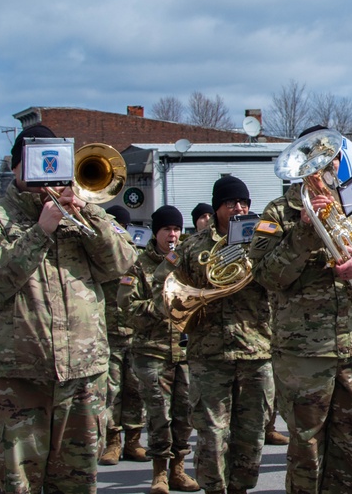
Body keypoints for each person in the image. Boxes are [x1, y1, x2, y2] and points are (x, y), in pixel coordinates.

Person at [0, 125, 137, 494]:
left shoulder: (82, 213)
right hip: (16, 382)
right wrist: (39, 231)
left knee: (77, 485)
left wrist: (88, 212)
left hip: (83, 377)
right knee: (12, 485)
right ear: (15, 167)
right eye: (37, 161)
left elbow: (120, 262)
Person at [248, 126, 352, 493]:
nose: (325, 167)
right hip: (304, 354)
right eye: (314, 160)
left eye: (331, 157)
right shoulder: (279, 213)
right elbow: (266, 276)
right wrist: (305, 231)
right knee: (306, 448)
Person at [156, 175, 274, 494]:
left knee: (252, 433)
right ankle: (214, 489)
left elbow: (281, 279)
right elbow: (163, 284)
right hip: (209, 354)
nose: (238, 208)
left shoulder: (263, 239)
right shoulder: (192, 245)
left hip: (256, 349)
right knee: (210, 434)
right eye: (230, 203)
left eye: (244, 203)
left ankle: (241, 487)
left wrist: (255, 257)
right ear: (217, 207)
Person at [119, 205, 199, 494]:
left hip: (186, 353)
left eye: (176, 229)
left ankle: (178, 470)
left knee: (184, 416)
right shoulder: (138, 266)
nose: (173, 234)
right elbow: (127, 309)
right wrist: (162, 307)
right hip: (151, 352)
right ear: (156, 233)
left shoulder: (187, 262)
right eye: (167, 229)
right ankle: (159, 474)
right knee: (158, 416)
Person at [99, 204, 150, 465]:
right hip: (108, 332)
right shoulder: (100, 254)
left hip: (135, 332)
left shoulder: (136, 255)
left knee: (135, 389)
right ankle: (111, 441)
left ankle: (133, 439)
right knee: (110, 390)